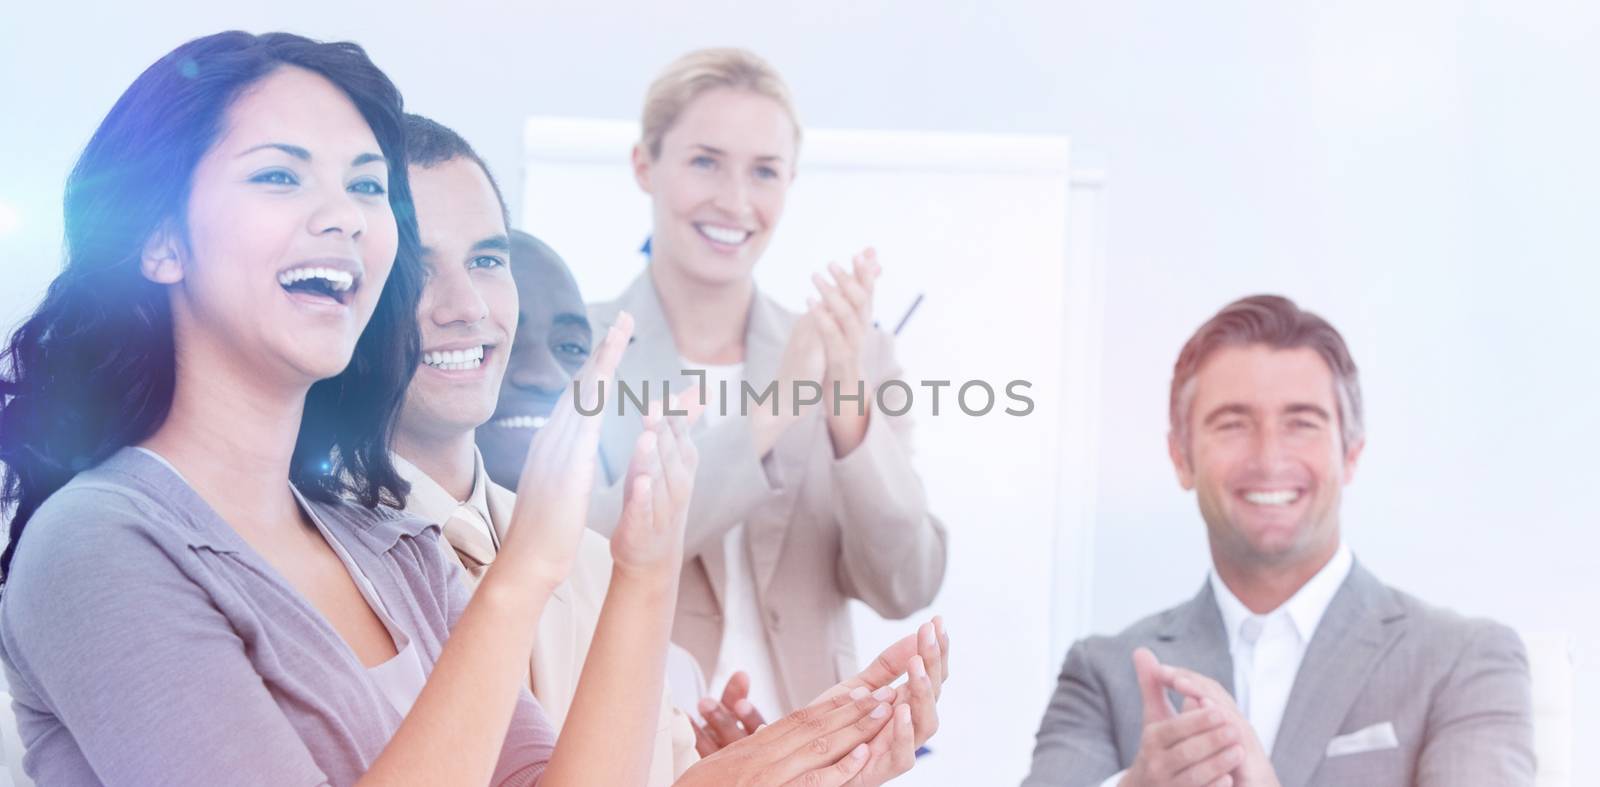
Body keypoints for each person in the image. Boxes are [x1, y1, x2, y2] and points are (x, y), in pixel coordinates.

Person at [0, 32, 900, 787]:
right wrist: (524, 573)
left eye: (363, 185)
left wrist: (643, 566)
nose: (345, 216)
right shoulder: (98, 546)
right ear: (159, 239)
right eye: (280, 177)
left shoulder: (385, 546)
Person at [1023, 295, 1536, 787]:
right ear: (1181, 458)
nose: (1269, 457)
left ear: (1351, 453)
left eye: (1301, 423)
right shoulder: (1103, 672)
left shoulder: (1461, 659)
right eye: (1233, 423)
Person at [586, 47, 949, 735]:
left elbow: (906, 581)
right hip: (635, 751)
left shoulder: (855, 353)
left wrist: (845, 403)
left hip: (814, 754)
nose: (735, 200)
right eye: (704, 161)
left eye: (765, 172)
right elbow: (579, 559)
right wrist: (776, 408)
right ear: (644, 165)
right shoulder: (582, 345)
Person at [390, 116, 696, 782]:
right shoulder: (325, 553)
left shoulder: (604, 563)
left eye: (486, 260)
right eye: (417, 267)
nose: (467, 305)